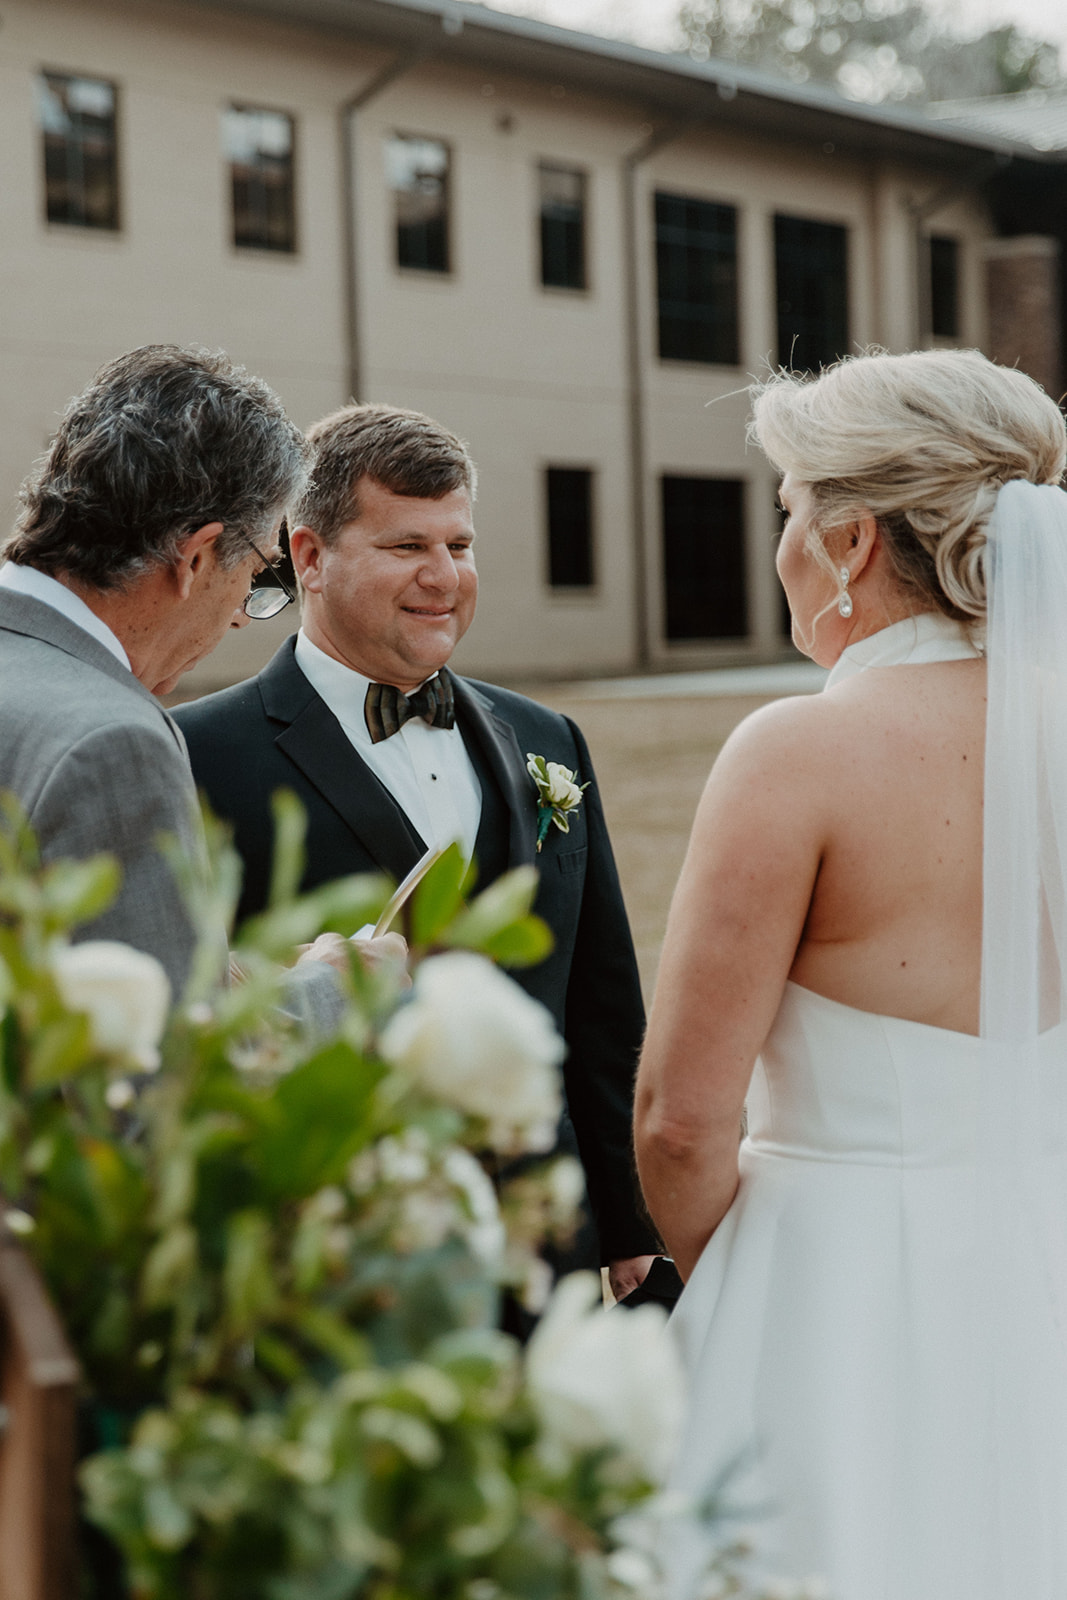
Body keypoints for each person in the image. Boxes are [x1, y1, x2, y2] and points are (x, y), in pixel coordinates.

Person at [634, 348, 1067, 1598]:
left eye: (785, 510)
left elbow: (676, 1122)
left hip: (830, 1293)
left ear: (852, 540)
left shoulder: (798, 752)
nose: (782, 545)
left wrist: (765, 1280)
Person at [174, 402, 660, 1302]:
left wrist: (630, 1224)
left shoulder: (546, 737)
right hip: (342, 1261)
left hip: (542, 1245)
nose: (444, 577)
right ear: (310, 556)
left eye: (460, 546)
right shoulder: (195, 757)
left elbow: (602, 1002)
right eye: (407, 547)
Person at [0, 344, 346, 1017]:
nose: (245, 618)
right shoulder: (109, 745)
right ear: (193, 558)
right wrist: (340, 994)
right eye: (255, 574)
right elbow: (160, 1086)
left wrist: (206, 967)